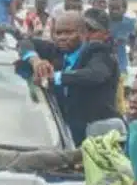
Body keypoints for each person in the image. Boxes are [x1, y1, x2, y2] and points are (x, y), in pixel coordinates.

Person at [18, 9, 120, 146]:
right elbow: (24, 43)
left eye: (69, 32)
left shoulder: (98, 52)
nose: (62, 37)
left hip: (97, 139)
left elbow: (95, 75)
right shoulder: (55, 51)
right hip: (58, 137)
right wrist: (35, 60)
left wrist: (54, 77)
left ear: (83, 34)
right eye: (58, 33)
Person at [108, 0, 136, 75]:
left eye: (117, 8)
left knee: (122, 75)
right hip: (107, 54)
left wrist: (132, 50)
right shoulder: (104, 21)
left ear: (124, 9)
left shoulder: (129, 22)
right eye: (111, 8)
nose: (114, 11)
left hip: (122, 55)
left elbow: (133, 37)